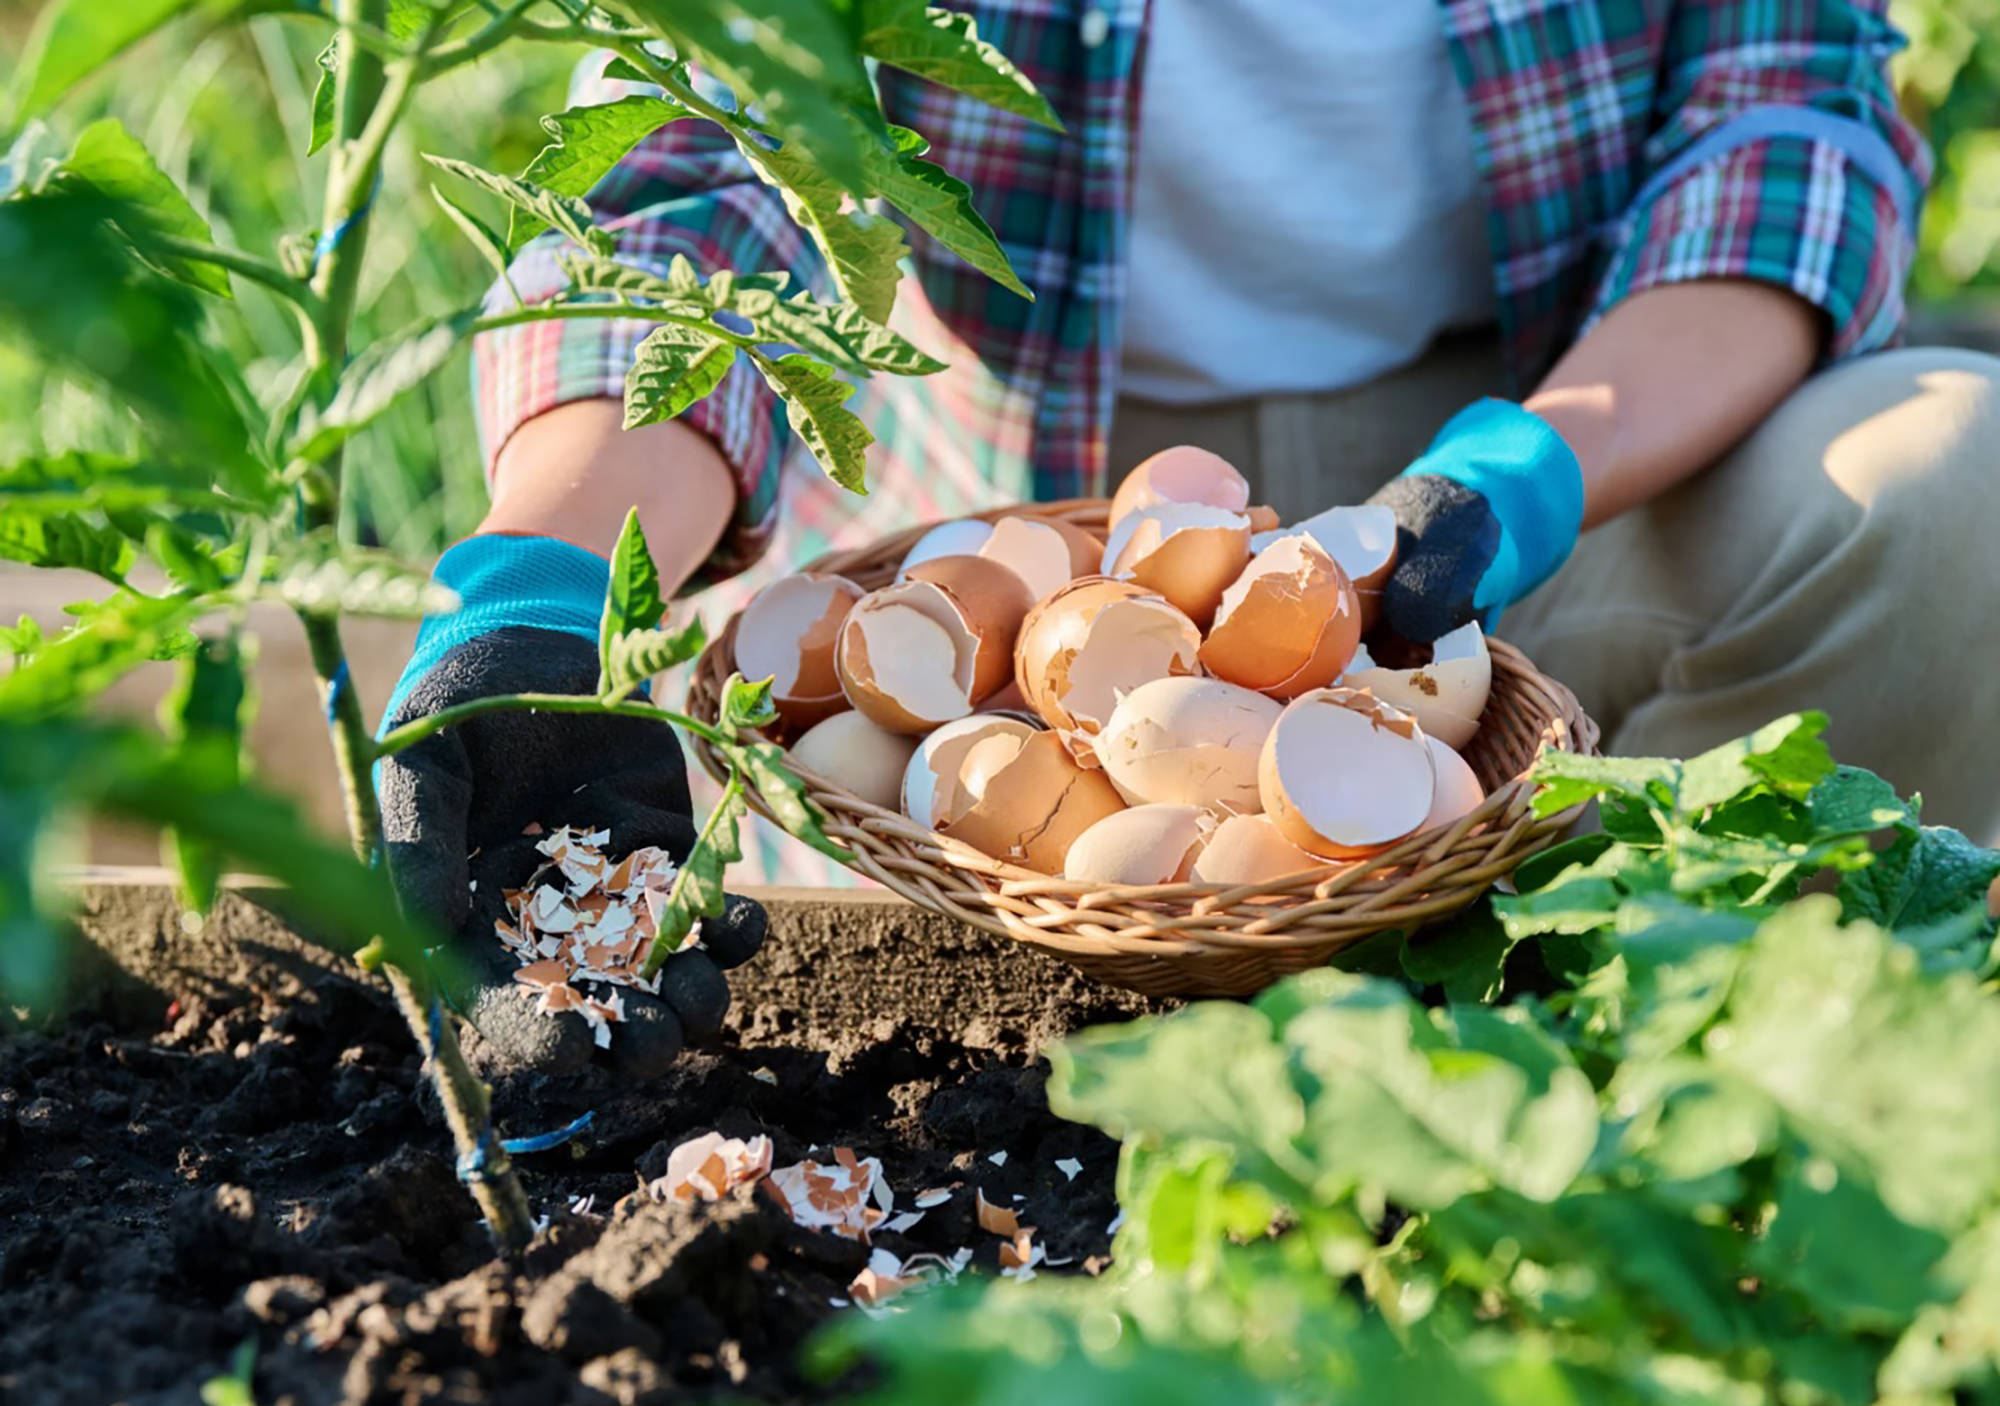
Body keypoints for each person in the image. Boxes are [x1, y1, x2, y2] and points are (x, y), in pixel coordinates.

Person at [379, 0, 2000, 1077]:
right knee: (974, 831)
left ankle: (1642, 1055)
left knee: (1943, 488)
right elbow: (694, 161)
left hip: (1563, 422)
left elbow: (1781, 123)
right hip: (1018, 522)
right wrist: (551, 578)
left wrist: (1519, 474)